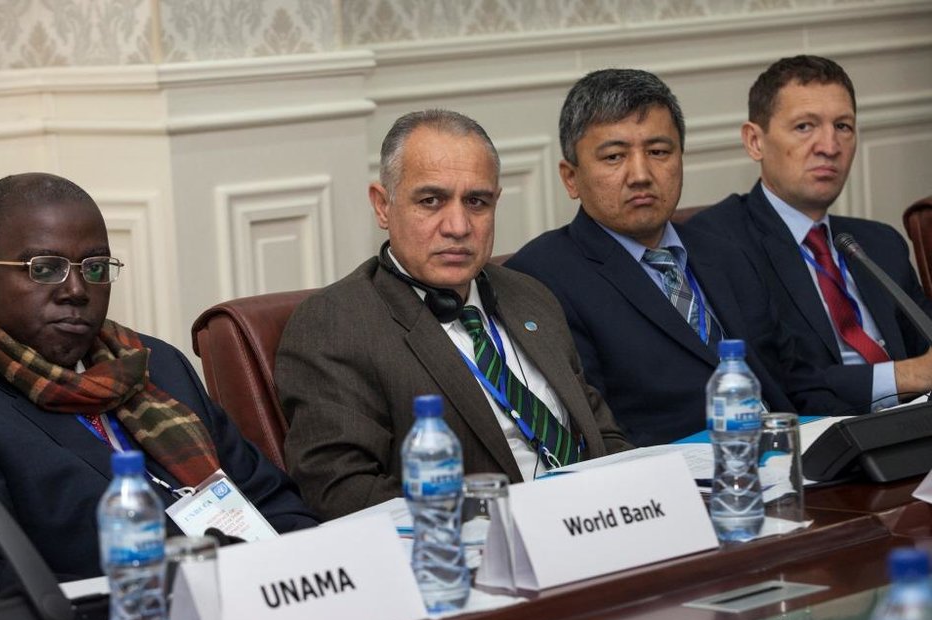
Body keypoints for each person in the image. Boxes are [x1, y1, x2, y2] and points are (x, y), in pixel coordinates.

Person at [0, 173, 317, 593]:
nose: (77, 290)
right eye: (44, 269)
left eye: (95, 268)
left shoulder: (153, 363)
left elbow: (272, 501)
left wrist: (302, 573)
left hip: (256, 597)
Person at [277, 109, 631, 520]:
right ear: (383, 205)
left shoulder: (529, 295)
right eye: (431, 201)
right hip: (481, 544)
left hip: (599, 522)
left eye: (476, 202)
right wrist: (512, 520)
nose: (459, 226)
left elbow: (601, 434)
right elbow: (343, 493)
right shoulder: (336, 324)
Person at [506, 69, 849, 446]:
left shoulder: (724, 252)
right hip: (675, 473)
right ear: (571, 178)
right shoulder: (543, 277)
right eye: (614, 156)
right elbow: (595, 431)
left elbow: (797, 380)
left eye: (658, 152)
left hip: (793, 453)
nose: (641, 175)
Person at [689, 55, 932, 411]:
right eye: (805, 126)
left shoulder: (881, 243)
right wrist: (906, 376)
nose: (829, 147)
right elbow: (772, 380)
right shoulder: (718, 242)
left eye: (843, 126)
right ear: (754, 141)